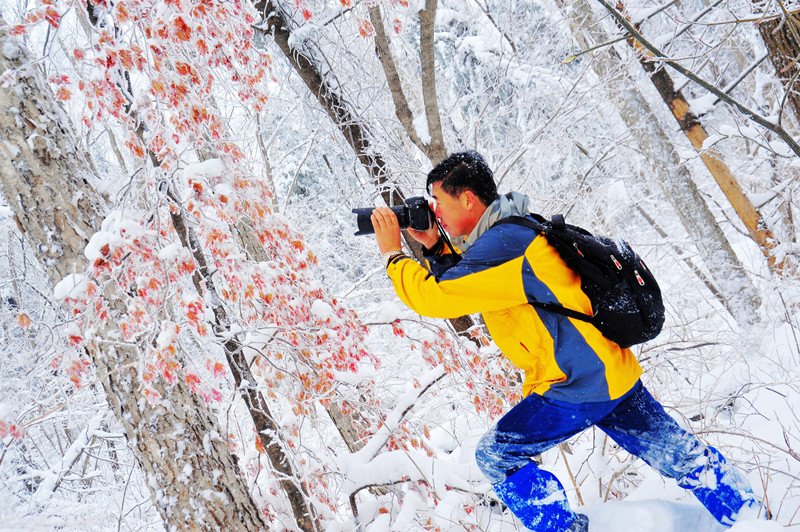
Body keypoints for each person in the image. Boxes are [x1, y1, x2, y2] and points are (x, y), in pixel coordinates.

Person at [370, 151, 761, 531]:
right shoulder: (510, 232)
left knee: (497, 457)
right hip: (605, 371)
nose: (433, 210)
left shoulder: (505, 245)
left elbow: (437, 296)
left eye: (438, 200)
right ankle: (749, 515)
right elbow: (467, 284)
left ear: (467, 198)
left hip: (574, 384)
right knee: (679, 456)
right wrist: (436, 247)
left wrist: (392, 253)